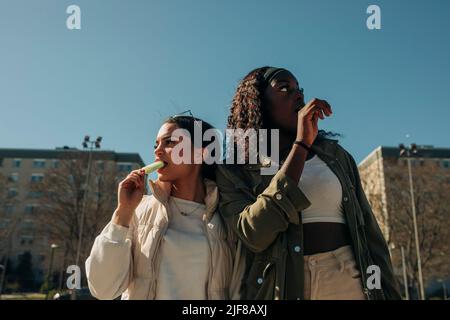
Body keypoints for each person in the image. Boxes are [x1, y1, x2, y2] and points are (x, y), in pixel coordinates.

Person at [216, 66, 401, 300]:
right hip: (282, 286)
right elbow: (254, 234)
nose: (298, 95)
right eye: (284, 88)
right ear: (258, 102)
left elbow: (370, 235)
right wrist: (301, 145)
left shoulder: (335, 155)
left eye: (299, 89)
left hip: (347, 279)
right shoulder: (237, 169)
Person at [86, 114, 244, 300]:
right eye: (156, 144)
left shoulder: (228, 218)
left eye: (169, 142)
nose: (158, 151)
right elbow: (103, 289)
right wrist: (123, 212)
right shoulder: (138, 211)